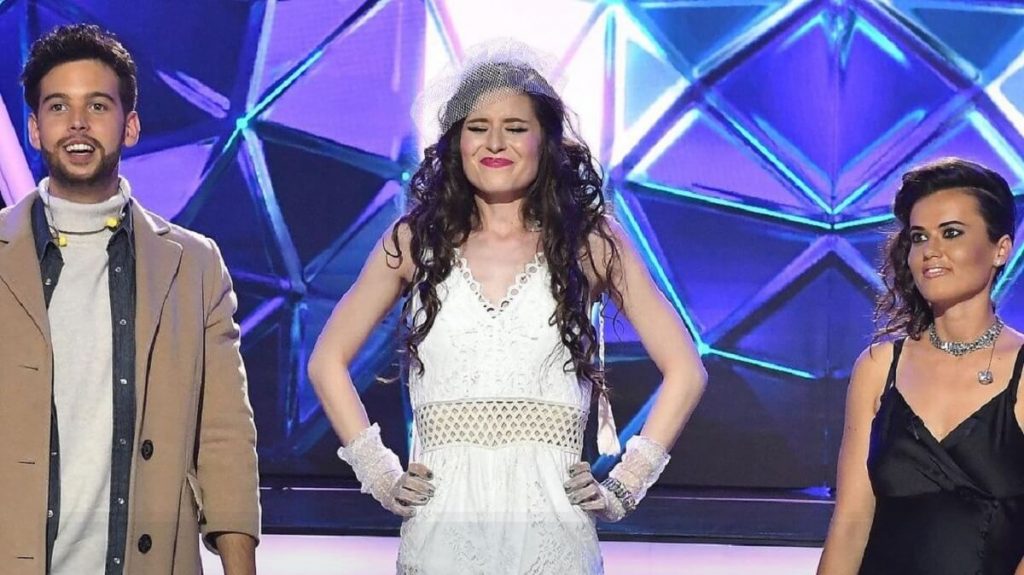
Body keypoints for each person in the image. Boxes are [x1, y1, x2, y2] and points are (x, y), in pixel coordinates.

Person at [308, 41, 706, 574]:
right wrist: (379, 472)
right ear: (457, 142)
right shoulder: (415, 242)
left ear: (545, 141)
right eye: (477, 127)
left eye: (515, 128)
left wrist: (625, 484)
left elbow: (686, 370)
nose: (495, 143)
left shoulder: (590, 242)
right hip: (442, 537)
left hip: (554, 539)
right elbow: (326, 361)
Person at [0, 24, 260, 575]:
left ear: (131, 125)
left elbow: (225, 438)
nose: (77, 123)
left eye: (97, 105)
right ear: (34, 129)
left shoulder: (194, 266)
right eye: (58, 107)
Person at [818, 157, 1024, 574]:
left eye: (951, 233)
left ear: (1000, 249)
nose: (931, 251)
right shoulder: (878, 367)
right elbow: (850, 524)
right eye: (919, 237)